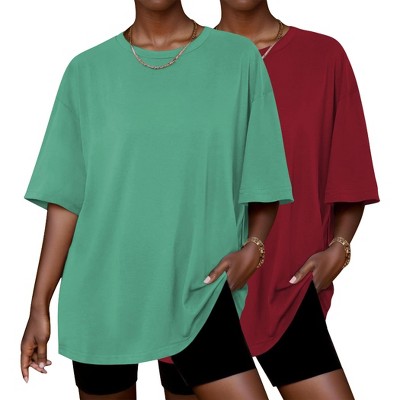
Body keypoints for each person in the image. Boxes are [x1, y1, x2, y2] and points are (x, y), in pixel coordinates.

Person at [19, 0, 293, 399]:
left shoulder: (237, 59)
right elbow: (66, 201)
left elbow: (263, 174)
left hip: (199, 290)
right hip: (103, 293)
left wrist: (254, 245)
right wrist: (38, 304)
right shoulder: (86, 71)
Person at [157, 1, 379, 399]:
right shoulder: (181, 61)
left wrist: (340, 247)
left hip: (289, 288)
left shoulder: (324, 56)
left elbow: (349, 168)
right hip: (200, 291)